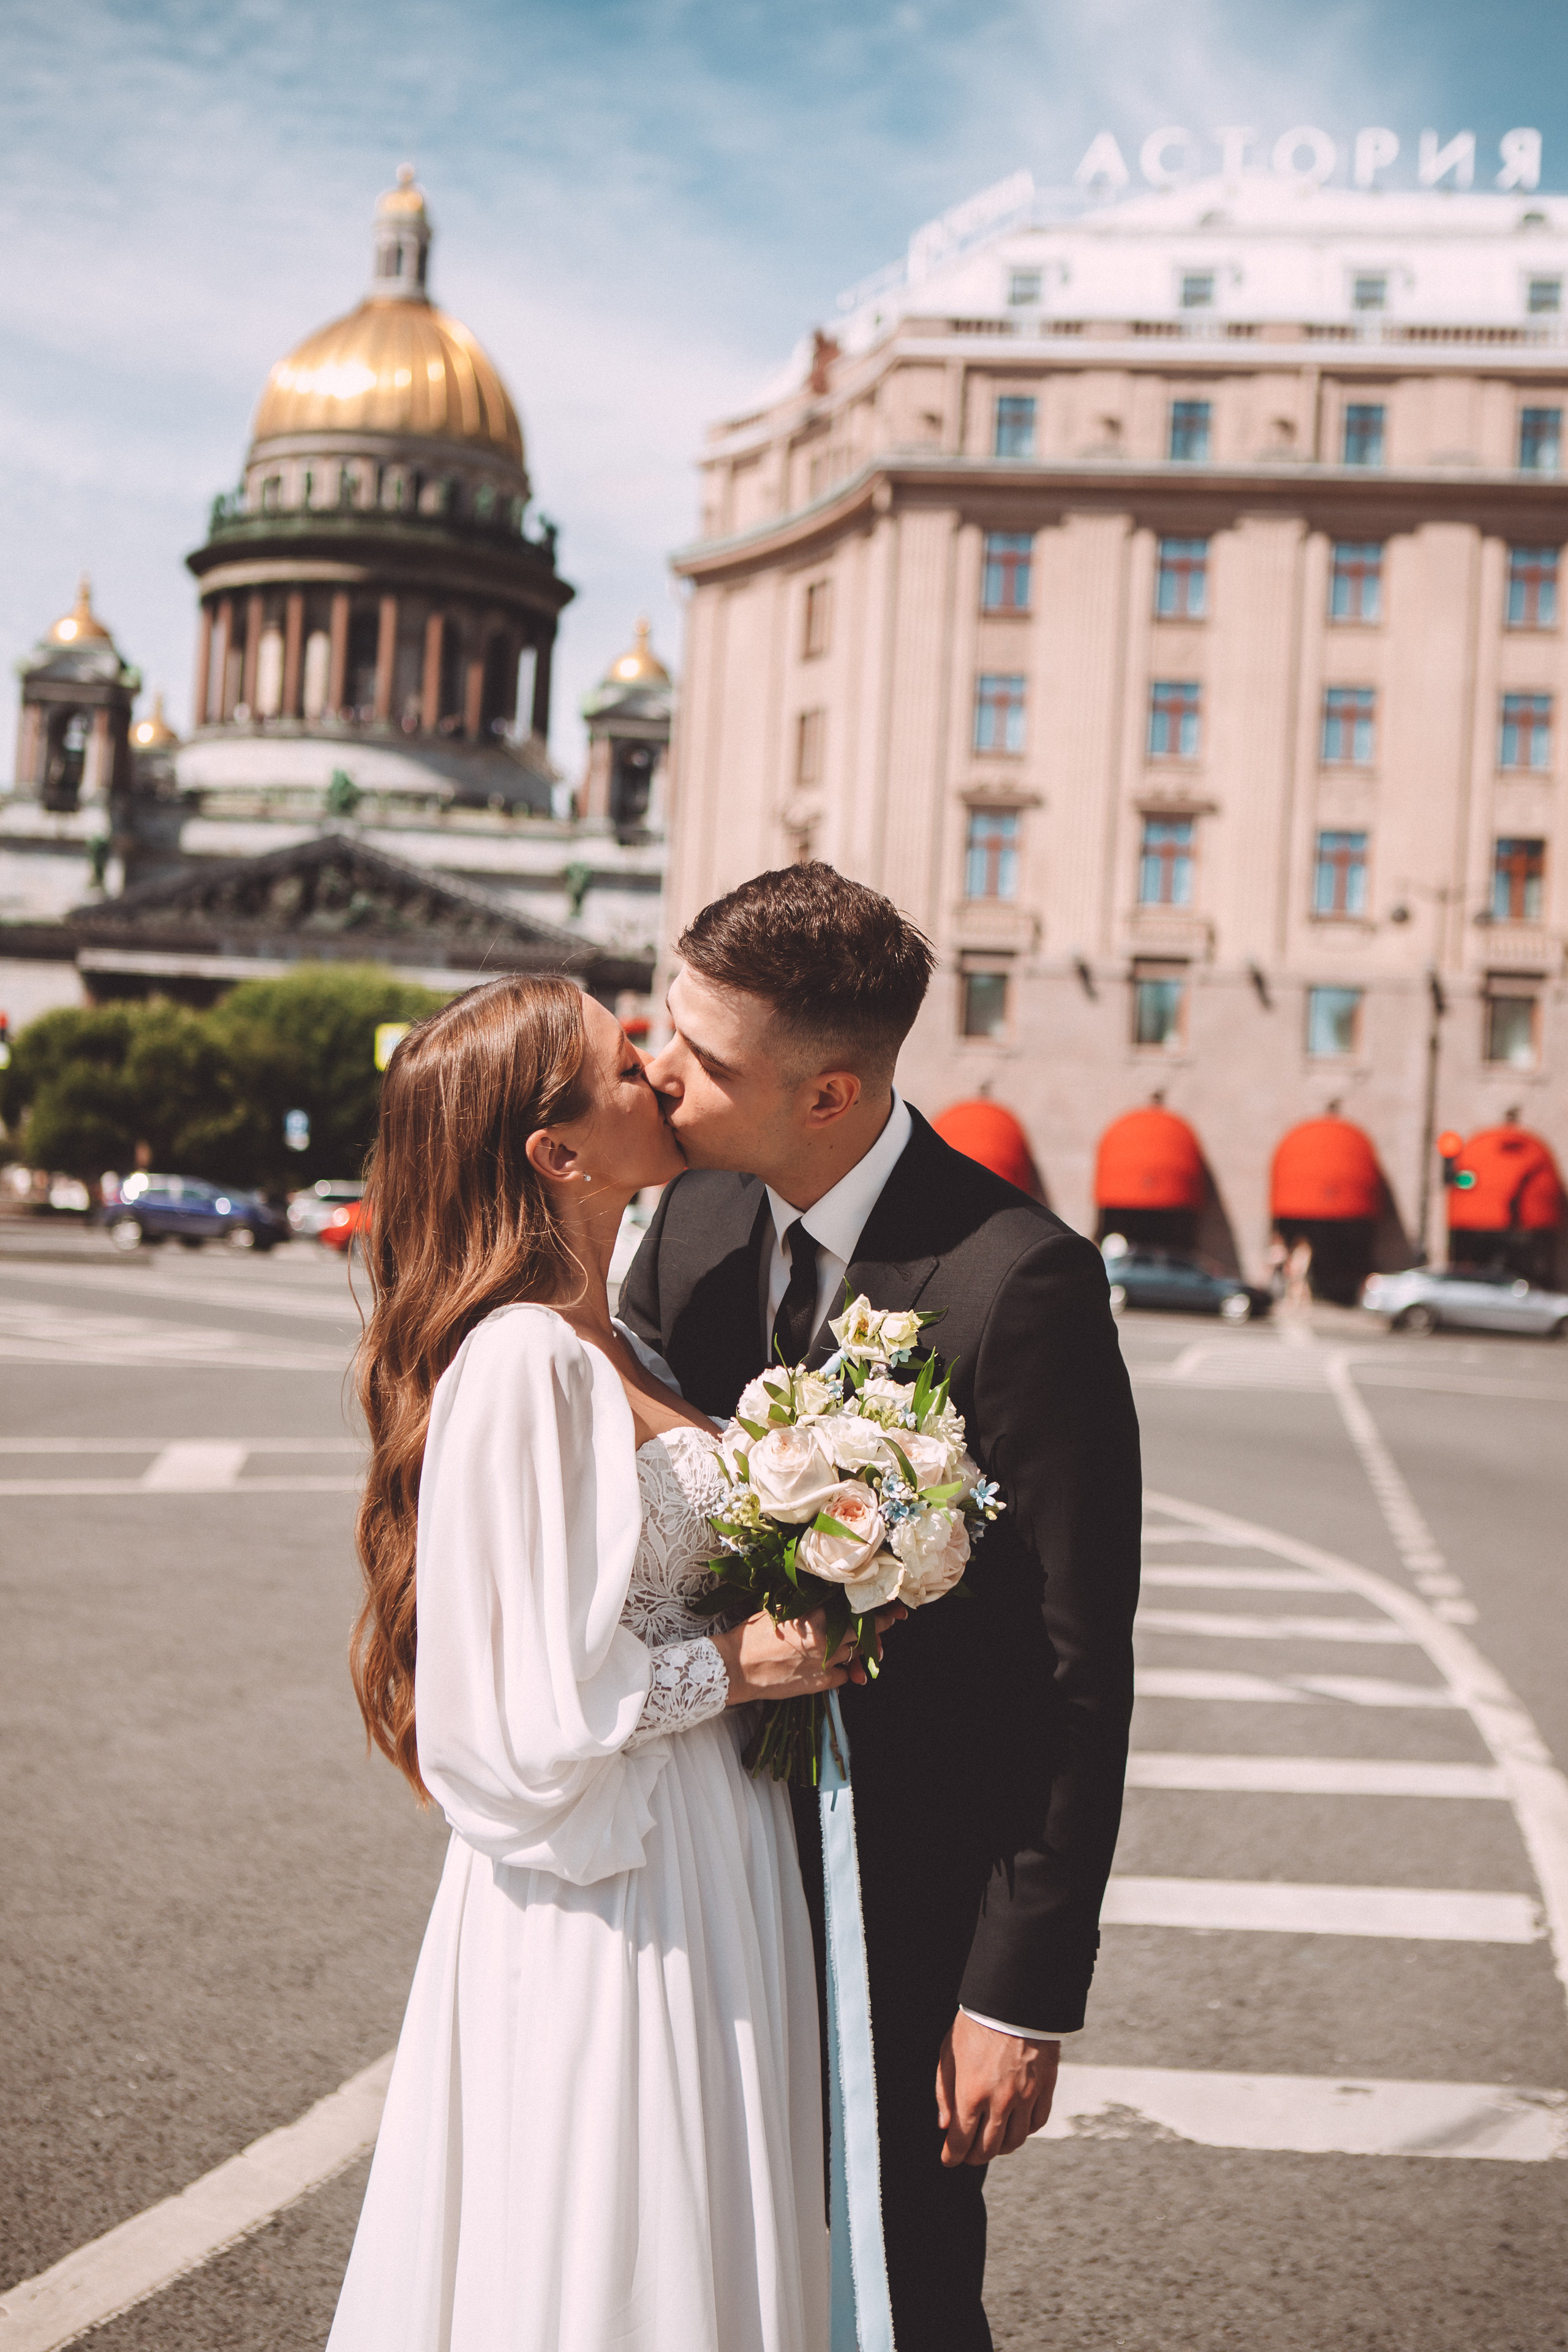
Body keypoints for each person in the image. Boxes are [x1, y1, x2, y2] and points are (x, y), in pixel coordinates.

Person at [328, 973, 897, 2352]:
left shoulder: (619, 1336)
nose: (656, 1067)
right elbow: (509, 1714)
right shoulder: (521, 1360)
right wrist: (738, 1669)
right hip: (614, 1879)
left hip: (709, 1849)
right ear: (560, 1155)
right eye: (618, 1060)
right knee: (613, 2240)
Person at [622, 863, 1142, 2352]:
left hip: (902, 1898)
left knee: (902, 2279)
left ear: (830, 1096)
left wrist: (1018, 1997)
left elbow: (1073, 1667)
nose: (661, 1068)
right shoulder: (690, 1223)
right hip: (697, 1874)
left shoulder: (1016, 1283)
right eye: (669, 1027)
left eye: (703, 1059)